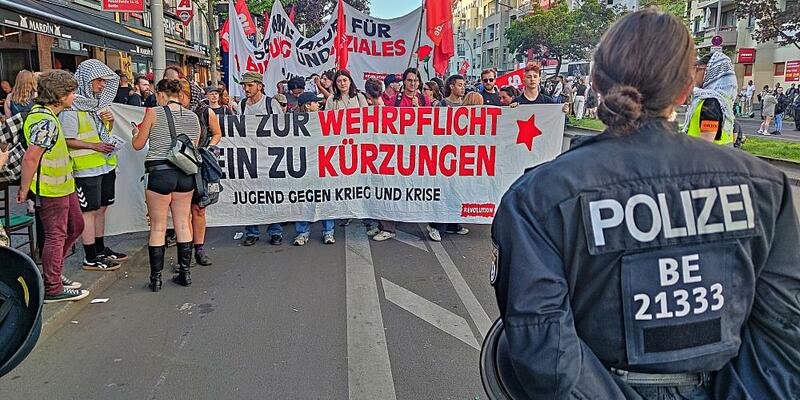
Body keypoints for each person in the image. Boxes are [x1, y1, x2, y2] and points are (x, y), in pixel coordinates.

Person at [491, 9, 800, 399]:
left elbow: (546, 349)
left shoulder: (537, 197)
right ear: (687, 89)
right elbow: (785, 330)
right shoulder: (764, 185)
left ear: (595, 81)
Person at [18, 69, 88, 303]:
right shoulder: (46, 121)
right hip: (50, 189)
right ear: (60, 95)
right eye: (72, 93)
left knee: (76, 226)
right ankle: (53, 287)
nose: (74, 97)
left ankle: (54, 271)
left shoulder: (47, 116)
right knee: (56, 236)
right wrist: (24, 188)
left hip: (63, 186)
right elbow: (31, 157)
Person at [131, 79, 201, 292]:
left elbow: (138, 145)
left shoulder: (153, 113)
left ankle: (156, 279)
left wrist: (135, 132)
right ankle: (185, 274)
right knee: (182, 223)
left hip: (159, 173)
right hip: (184, 174)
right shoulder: (193, 116)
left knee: (158, 227)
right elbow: (193, 147)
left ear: (161, 94)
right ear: (179, 95)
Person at [60, 59, 127, 271]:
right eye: (98, 81)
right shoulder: (72, 109)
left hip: (104, 164)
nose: (102, 85)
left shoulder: (95, 106)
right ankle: (90, 256)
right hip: (85, 168)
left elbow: (103, 132)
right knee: (88, 211)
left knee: (101, 208)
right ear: (86, 81)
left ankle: (100, 248)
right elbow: (68, 139)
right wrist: (95, 146)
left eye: (104, 81)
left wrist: (110, 122)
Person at [238, 71, 284, 246]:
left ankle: (275, 231)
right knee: (250, 195)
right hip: (249, 156)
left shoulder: (271, 104)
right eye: (244, 85)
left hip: (269, 157)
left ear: (259, 85)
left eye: (249, 85)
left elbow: (282, 128)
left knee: (271, 194)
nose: (246, 88)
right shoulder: (241, 105)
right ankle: (252, 232)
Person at [427, 71, 470, 242]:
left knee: (457, 191)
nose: (463, 88)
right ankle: (435, 225)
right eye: (460, 85)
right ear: (451, 86)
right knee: (442, 192)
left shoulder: (465, 106)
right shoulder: (441, 105)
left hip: (461, 156)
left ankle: (453, 224)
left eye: (463, 85)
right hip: (443, 155)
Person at [183, 81, 222, 266]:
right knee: (181, 211)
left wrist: (207, 149)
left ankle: (199, 248)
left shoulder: (205, 112)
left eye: (183, 93)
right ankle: (185, 252)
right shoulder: (170, 113)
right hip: (178, 165)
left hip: (198, 165)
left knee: (199, 208)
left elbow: (217, 134)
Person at [293, 92, 335, 245]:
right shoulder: (294, 122)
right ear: (307, 106)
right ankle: (302, 232)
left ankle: (328, 231)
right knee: (302, 198)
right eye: (316, 103)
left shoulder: (325, 119)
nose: (319, 105)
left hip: (322, 163)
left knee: (325, 197)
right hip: (304, 165)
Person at [681, 52, 737, 145]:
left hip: (706, 157)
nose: (693, 75)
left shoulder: (711, 102)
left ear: (708, 71)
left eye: (697, 69)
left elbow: (705, 145)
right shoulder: (722, 101)